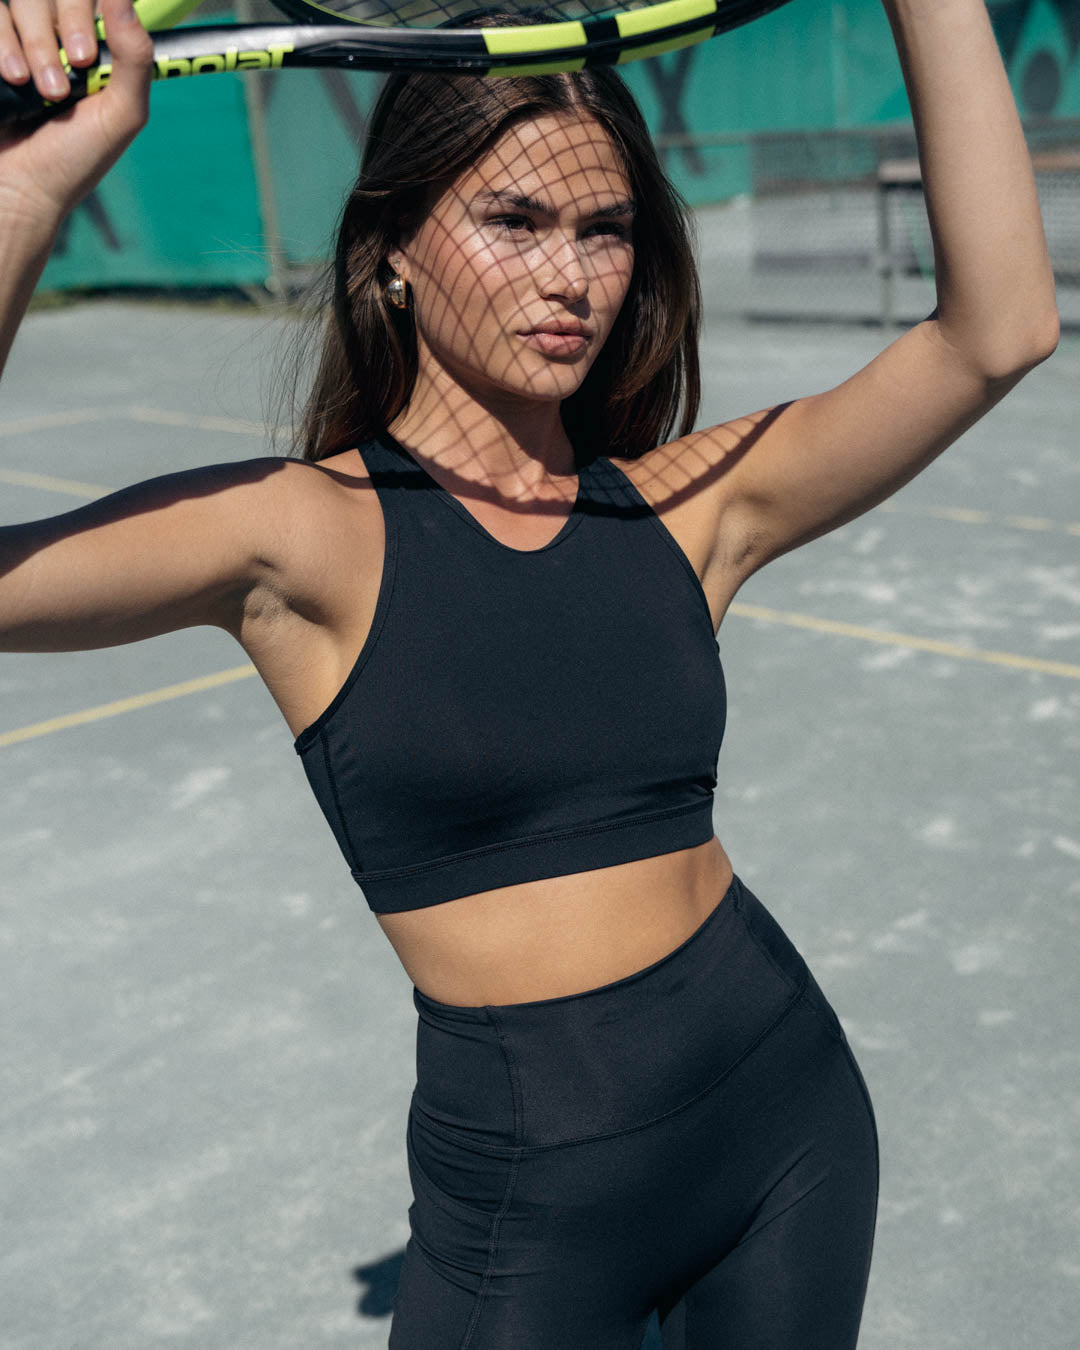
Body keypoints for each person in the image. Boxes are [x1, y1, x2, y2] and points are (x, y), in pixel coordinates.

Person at [0, 0, 1058, 1344]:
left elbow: (1000, 329)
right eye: (516, 220)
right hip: (530, 1211)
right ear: (391, 251)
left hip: (788, 1132)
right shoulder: (300, 533)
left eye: (605, 229)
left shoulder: (679, 509)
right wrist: (30, 183)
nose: (572, 278)